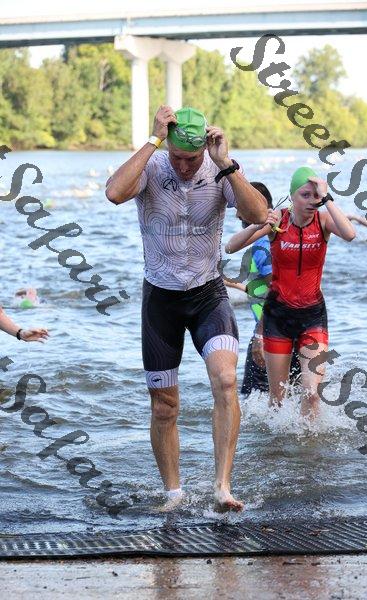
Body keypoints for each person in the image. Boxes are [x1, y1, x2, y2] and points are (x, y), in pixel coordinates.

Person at [105, 105, 268, 511]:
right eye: (176, 157)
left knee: (226, 380)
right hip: (160, 299)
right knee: (165, 406)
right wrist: (153, 139)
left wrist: (225, 163)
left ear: (203, 150)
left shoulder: (219, 169)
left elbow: (257, 215)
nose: (182, 166)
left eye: (190, 159)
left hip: (207, 294)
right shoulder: (153, 164)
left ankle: (222, 487)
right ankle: (174, 494)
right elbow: (114, 193)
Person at [224, 166, 356, 419]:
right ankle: (278, 442)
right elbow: (231, 247)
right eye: (305, 195)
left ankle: (309, 443)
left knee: (312, 393)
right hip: (278, 317)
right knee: (277, 399)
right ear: (292, 196)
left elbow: (350, 234)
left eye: (316, 196)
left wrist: (327, 198)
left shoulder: (323, 221)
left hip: (313, 316)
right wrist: (258, 225)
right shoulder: (279, 222)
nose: (312, 201)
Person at [225, 182, 300, 396]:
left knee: (254, 399)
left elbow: (277, 291)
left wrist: (259, 335)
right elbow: (271, 288)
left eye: (241, 207)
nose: (237, 214)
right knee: (292, 397)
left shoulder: (263, 245)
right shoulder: (284, 234)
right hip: (296, 329)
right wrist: (228, 282)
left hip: (271, 332)